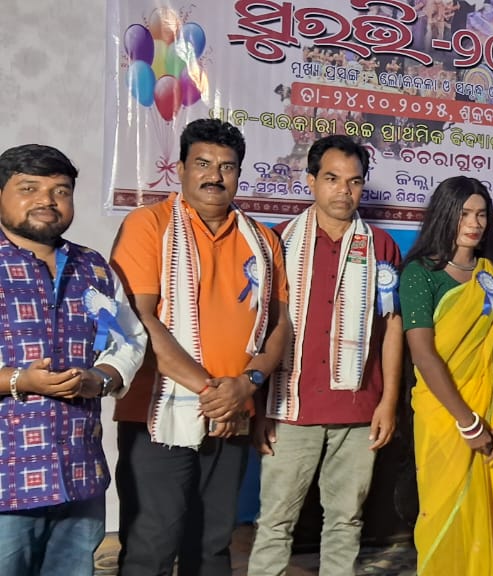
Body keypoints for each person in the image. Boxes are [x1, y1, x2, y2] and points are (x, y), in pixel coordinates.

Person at [111, 118, 290, 576]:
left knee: (212, 545)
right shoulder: (147, 225)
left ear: (239, 174)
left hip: (232, 414)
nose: (215, 176)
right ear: (181, 169)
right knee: (152, 545)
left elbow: (280, 324)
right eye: (203, 164)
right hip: (156, 415)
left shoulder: (263, 239)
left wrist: (247, 385)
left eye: (227, 167)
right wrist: (214, 392)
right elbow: (139, 320)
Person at [247, 135, 403, 575]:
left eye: (355, 181)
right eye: (332, 179)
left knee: (346, 521)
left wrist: (388, 401)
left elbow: (391, 328)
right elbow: (259, 327)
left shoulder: (380, 246)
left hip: (358, 408)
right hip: (289, 407)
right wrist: (259, 408)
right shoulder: (279, 241)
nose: (344, 191)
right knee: (275, 522)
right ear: (311, 180)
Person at [0, 144, 147, 575]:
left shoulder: (93, 267)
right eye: (29, 188)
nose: (47, 200)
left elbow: (130, 338)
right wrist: (19, 381)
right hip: (7, 484)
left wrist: (100, 379)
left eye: (60, 191)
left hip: (79, 476)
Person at [399, 177, 493, 574]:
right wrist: (467, 421)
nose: (474, 223)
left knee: (490, 516)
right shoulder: (421, 273)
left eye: (481, 214)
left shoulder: (491, 272)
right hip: (444, 415)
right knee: (443, 512)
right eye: (464, 213)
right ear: (445, 215)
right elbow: (423, 353)